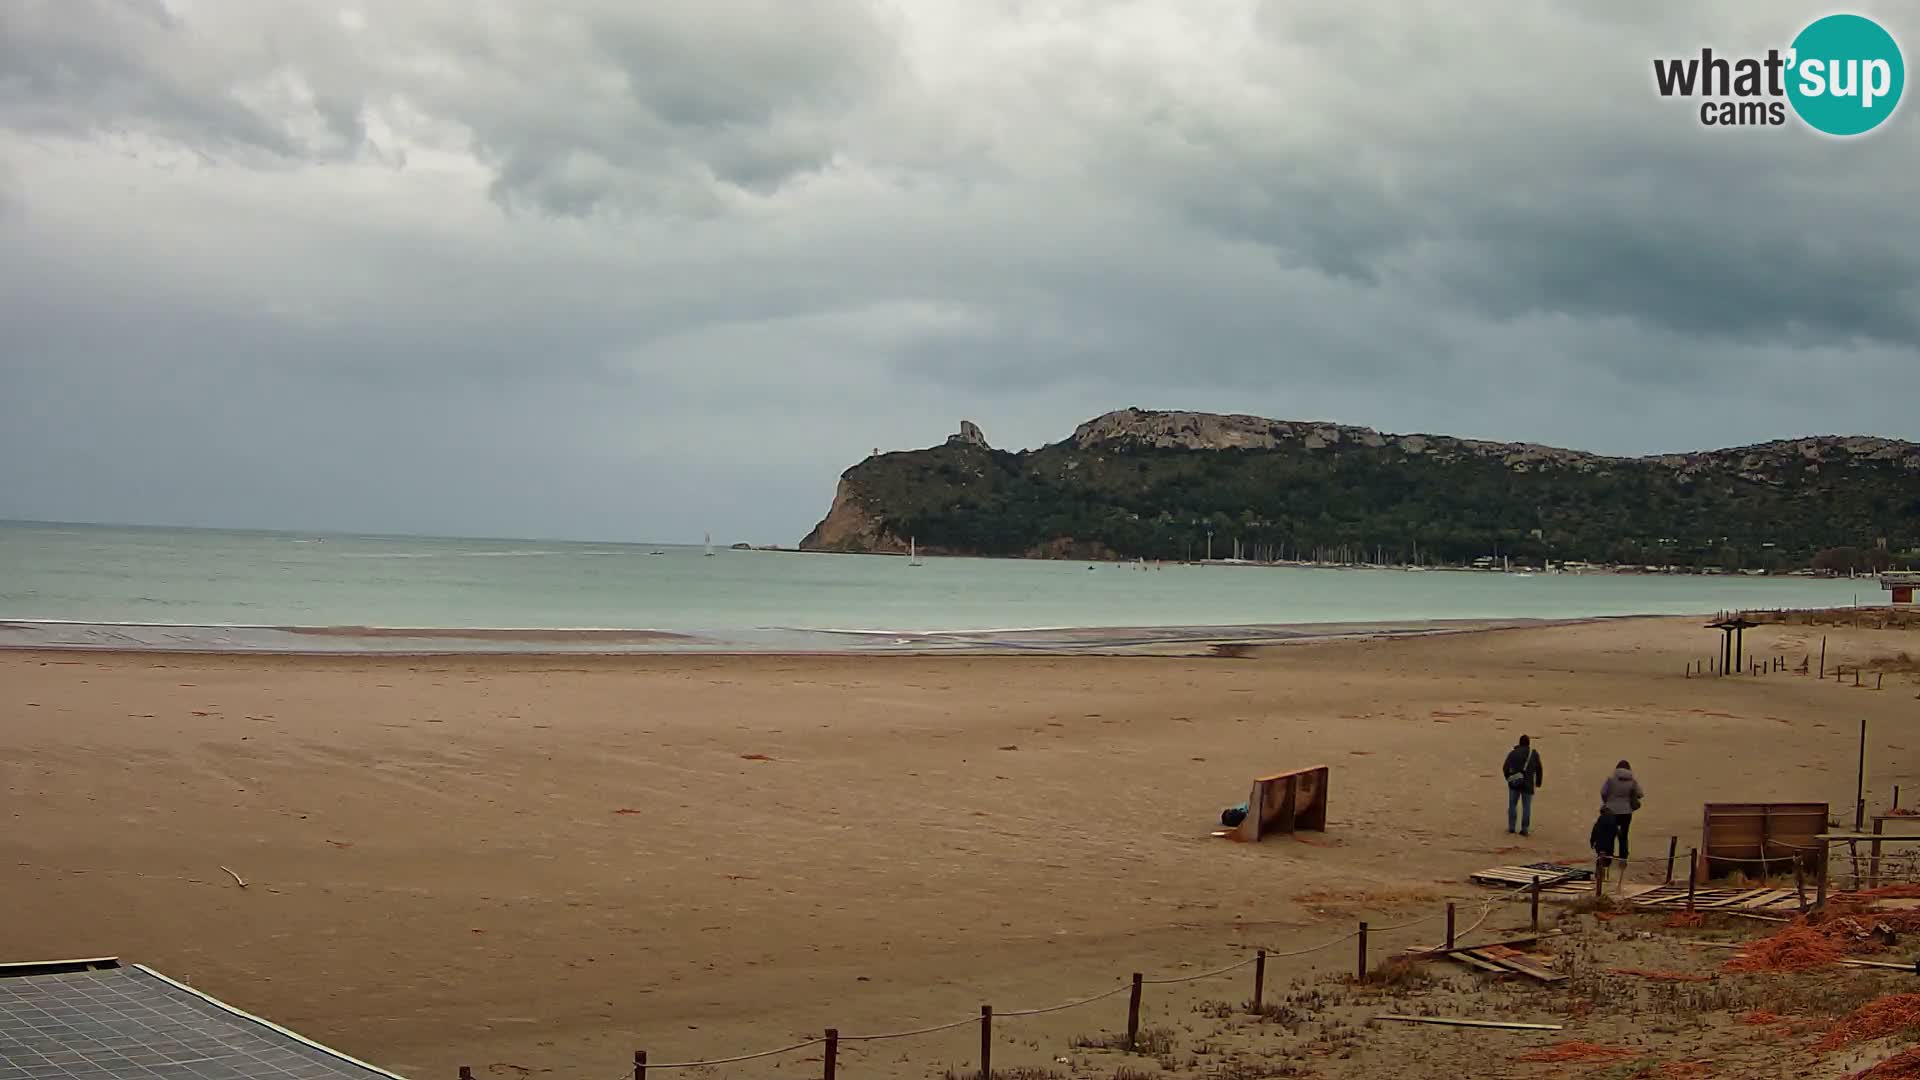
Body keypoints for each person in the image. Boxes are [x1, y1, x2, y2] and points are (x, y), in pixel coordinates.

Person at [1600, 760, 1645, 859]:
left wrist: (1607, 802)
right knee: (1624, 835)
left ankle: (1609, 856)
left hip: (1611, 811)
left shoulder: (1610, 780)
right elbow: (1640, 794)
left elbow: (1603, 792)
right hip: (1626, 812)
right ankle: (1623, 857)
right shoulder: (1632, 782)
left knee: (1610, 835)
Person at [1502, 735, 1543, 835]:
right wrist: (1538, 782)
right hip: (1528, 784)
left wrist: (1509, 778)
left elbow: (1505, 767)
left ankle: (1511, 827)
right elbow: (1539, 769)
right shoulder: (1533, 754)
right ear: (1528, 744)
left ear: (1519, 743)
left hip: (1514, 783)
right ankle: (1524, 829)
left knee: (1512, 805)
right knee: (1526, 807)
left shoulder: (1513, 753)